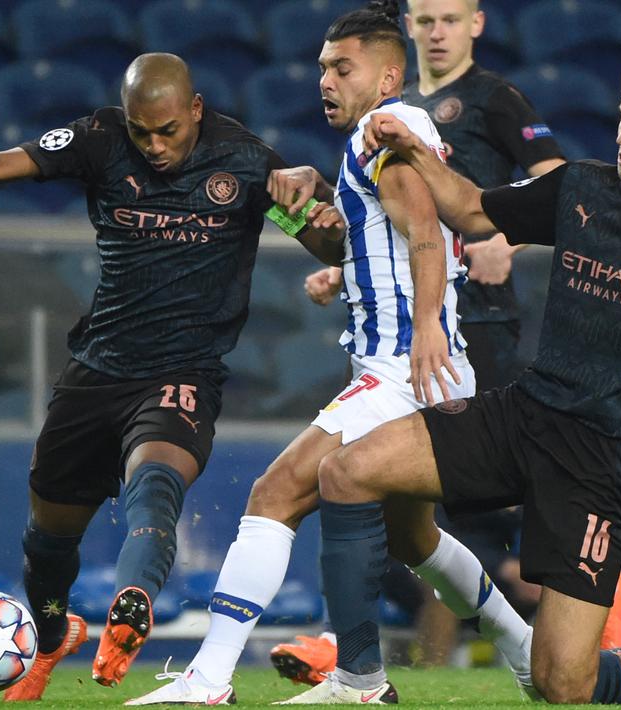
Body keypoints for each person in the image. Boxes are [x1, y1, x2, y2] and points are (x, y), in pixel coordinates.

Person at [281, 52, 621, 705]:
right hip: (524, 413)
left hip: (600, 459)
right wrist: (414, 151)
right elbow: (470, 209)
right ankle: (358, 680)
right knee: (346, 473)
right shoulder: (580, 185)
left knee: (562, 683)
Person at [0, 53, 345, 701]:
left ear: (195, 109)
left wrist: (322, 202)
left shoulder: (248, 164)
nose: (155, 145)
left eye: (168, 130)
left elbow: (332, 244)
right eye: (143, 132)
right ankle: (51, 639)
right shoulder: (100, 139)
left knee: (155, 483)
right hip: (98, 369)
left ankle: (130, 606)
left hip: (184, 370)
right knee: (48, 538)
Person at [125, 2, 529, 704]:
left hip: (403, 370)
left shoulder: (383, 133)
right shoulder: (386, 136)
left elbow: (425, 234)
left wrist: (426, 325)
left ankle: (209, 677)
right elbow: (391, 237)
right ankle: (523, 648)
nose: (326, 80)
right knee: (413, 538)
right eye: (322, 67)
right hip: (417, 368)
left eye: (343, 67)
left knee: (274, 492)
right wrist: (329, 247)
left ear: (387, 77)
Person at [279, 0, 607, 678]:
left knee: (457, 508)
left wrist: (507, 238)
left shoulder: (494, 98)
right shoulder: (387, 111)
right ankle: (389, 653)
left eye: (449, 20)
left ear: (475, 25)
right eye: (425, 20)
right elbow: (389, 224)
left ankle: (409, 657)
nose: (436, 32)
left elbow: (556, 183)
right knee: (399, 512)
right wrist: (346, 268)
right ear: (407, 29)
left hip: (473, 326)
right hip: (405, 331)